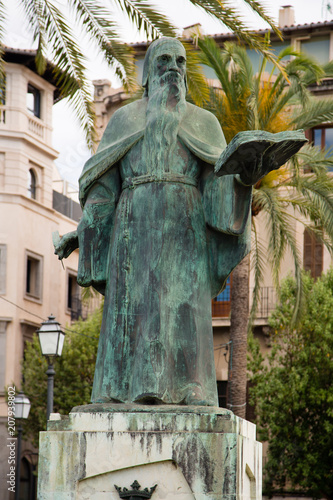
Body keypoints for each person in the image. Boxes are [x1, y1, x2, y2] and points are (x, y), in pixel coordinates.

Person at [54, 38, 270, 406]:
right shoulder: (124, 120)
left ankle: (192, 389)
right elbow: (103, 189)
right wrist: (83, 233)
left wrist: (244, 178)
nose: (173, 67)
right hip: (132, 229)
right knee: (133, 308)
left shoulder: (204, 122)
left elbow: (218, 188)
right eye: (165, 60)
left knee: (185, 308)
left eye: (181, 62)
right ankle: (120, 388)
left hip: (186, 228)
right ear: (148, 74)